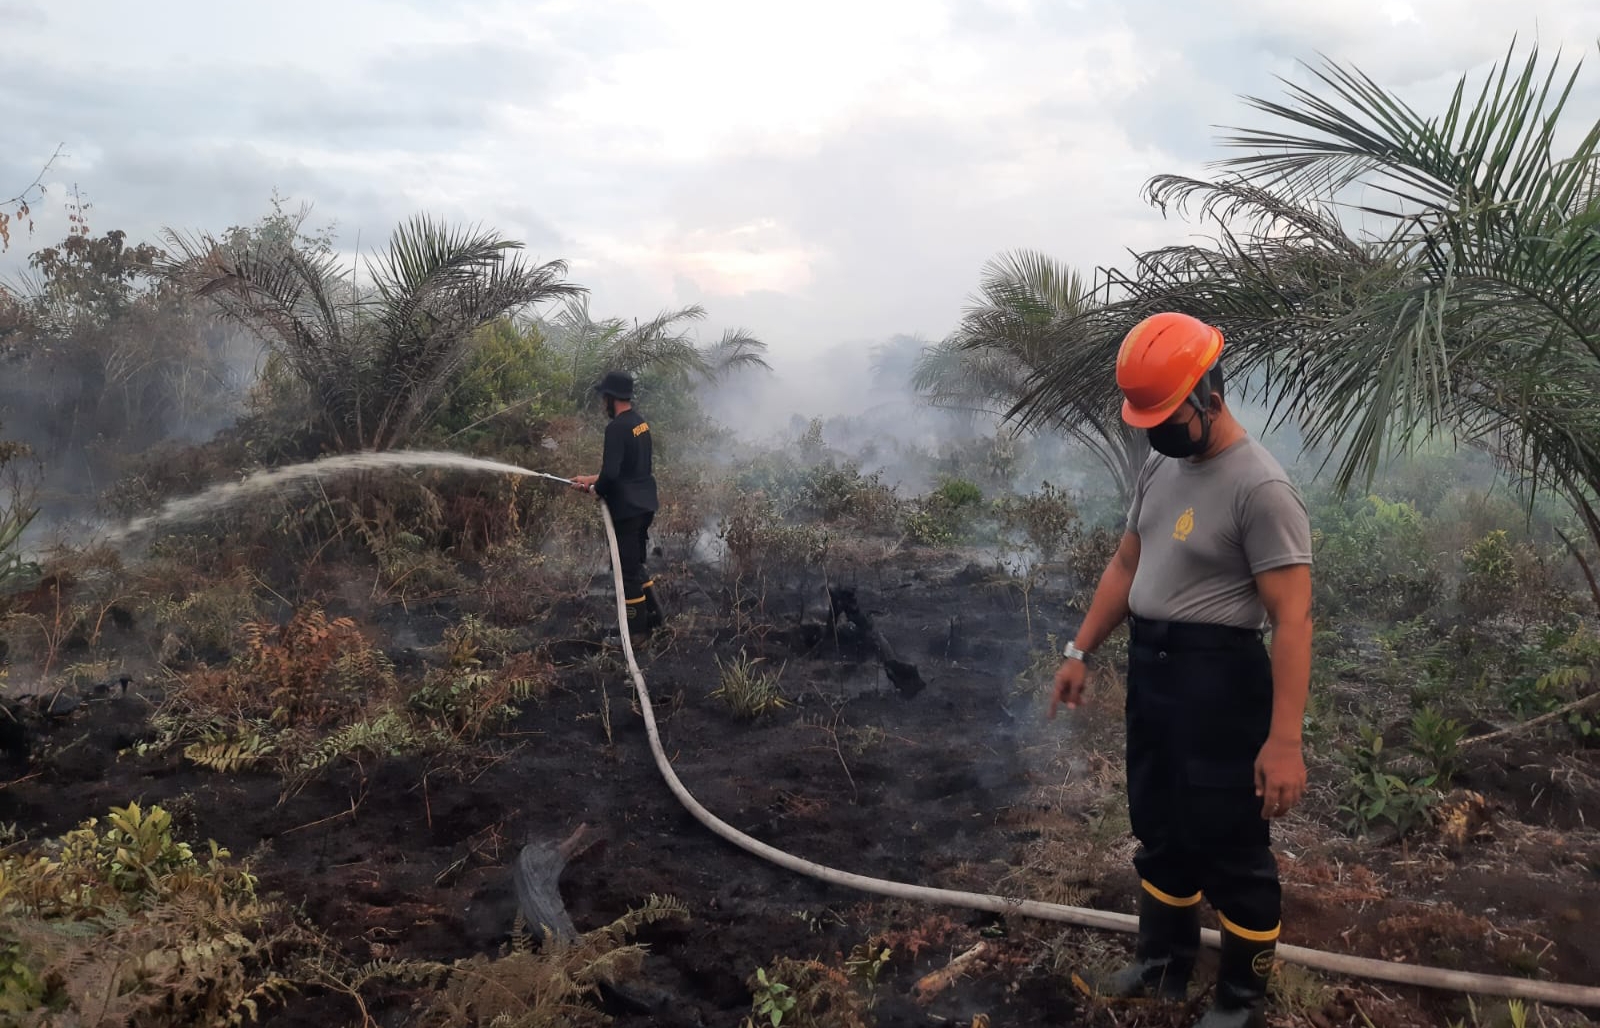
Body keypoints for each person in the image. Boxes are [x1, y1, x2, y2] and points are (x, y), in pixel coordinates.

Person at [1049, 312, 1313, 1027]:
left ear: (1212, 400)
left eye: (1165, 416)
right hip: (1155, 672)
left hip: (1219, 684)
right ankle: (1160, 965)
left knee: (1230, 844)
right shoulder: (1163, 463)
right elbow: (1128, 561)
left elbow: (1293, 619)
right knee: (1160, 824)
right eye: (1147, 418)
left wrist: (1283, 741)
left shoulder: (1261, 490)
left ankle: (1239, 1000)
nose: (1154, 432)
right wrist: (1081, 650)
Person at [570, 370, 664, 637]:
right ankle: (656, 620)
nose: (603, 404)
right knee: (634, 565)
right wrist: (589, 479)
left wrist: (596, 490)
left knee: (626, 573)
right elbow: (628, 469)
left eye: (604, 399)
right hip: (644, 504)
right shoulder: (640, 423)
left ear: (611, 398)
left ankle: (635, 637)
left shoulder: (616, 428)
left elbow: (611, 475)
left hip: (627, 509)